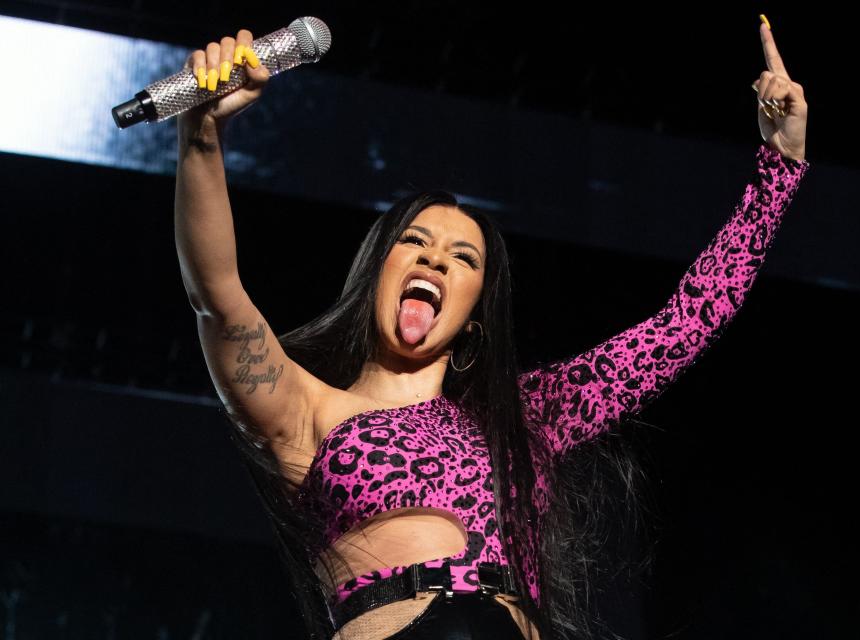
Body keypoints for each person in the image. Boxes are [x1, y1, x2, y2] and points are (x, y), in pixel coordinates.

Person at [174, 16, 809, 640]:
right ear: (375, 273)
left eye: (463, 257)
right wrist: (200, 135)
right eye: (414, 241)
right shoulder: (306, 411)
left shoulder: (529, 415)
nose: (434, 258)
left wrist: (777, 169)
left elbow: (683, 325)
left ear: (476, 317)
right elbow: (219, 297)